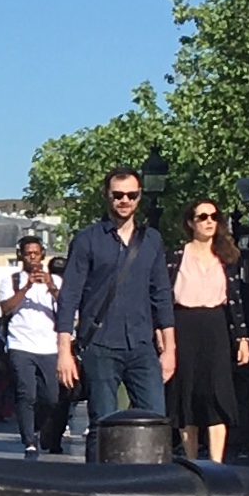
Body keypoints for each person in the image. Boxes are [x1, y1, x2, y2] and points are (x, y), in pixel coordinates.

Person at [56, 167, 176, 436]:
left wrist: (170, 349)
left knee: (155, 422)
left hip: (142, 343)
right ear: (106, 195)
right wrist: (64, 351)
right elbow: (69, 297)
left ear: (139, 196)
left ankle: (149, 466)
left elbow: (162, 295)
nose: (125, 201)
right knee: (103, 425)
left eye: (131, 195)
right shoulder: (87, 240)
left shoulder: (152, 240)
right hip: (100, 344)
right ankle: (99, 465)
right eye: (118, 195)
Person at [167, 193, 249, 464]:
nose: (209, 222)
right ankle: (190, 460)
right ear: (191, 223)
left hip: (216, 326)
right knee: (187, 394)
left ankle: (216, 463)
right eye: (202, 217)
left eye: (214, 217)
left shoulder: (226, 257)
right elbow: (163, 299)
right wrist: (163, 336)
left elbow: (235, 301)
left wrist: (242, 338)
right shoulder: (175, 257)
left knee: (217, 393)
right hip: (184, 324)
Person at [0, 236, 67, 456]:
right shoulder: (11, 281)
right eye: (28, 254)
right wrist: (27, 287)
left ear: (42, 255)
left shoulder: (56, 281)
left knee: (52, 397)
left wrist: (50, 286)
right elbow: (6, 308)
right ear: (21, 255)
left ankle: (37, 427)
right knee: (26, 393)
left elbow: (67, 308)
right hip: (20, 344)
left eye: (36, 254)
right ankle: (28, 439)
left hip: (49, 346)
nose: (32, 258)